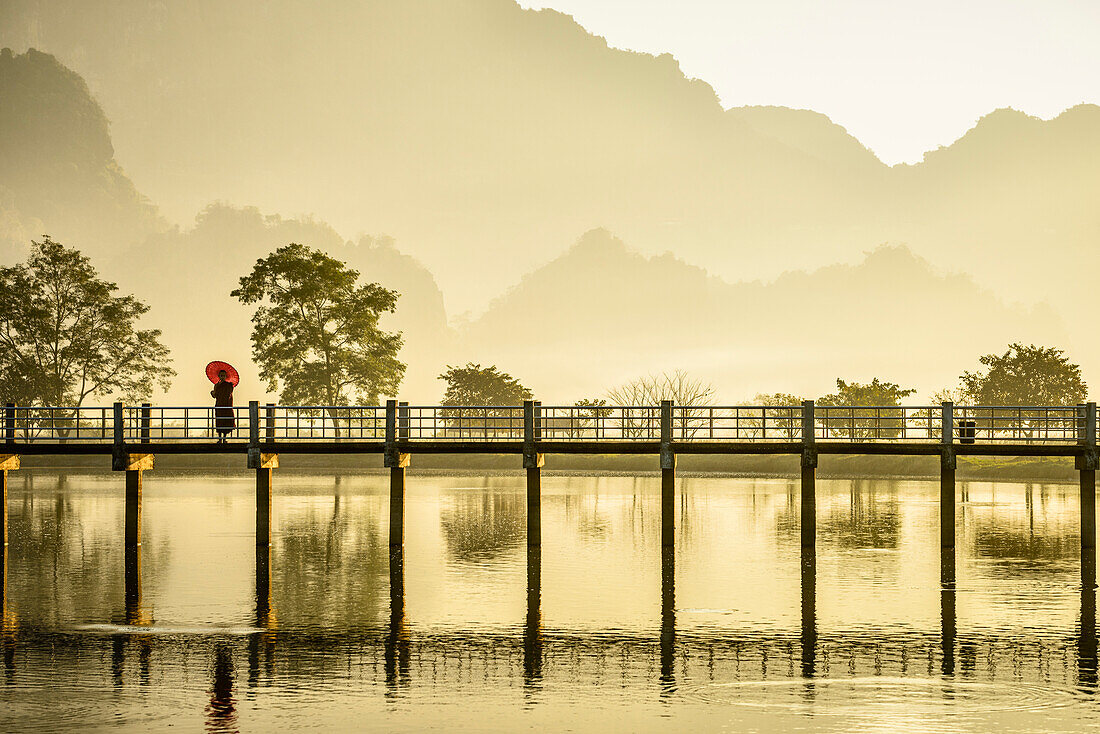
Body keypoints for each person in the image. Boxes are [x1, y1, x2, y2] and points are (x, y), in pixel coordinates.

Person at [211, 369, 235, 442]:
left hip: (226, 406)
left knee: (225, 422)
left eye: (224, 376)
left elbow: (229, 394)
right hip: (219, 406)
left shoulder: (228, 385)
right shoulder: (217, 385)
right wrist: (212, 393)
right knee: (219, 422)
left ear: (226, 377)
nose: (222, 377)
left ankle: (224, 439)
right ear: (219, 376)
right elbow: (215, 396)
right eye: (221, 376)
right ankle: (220, 438)